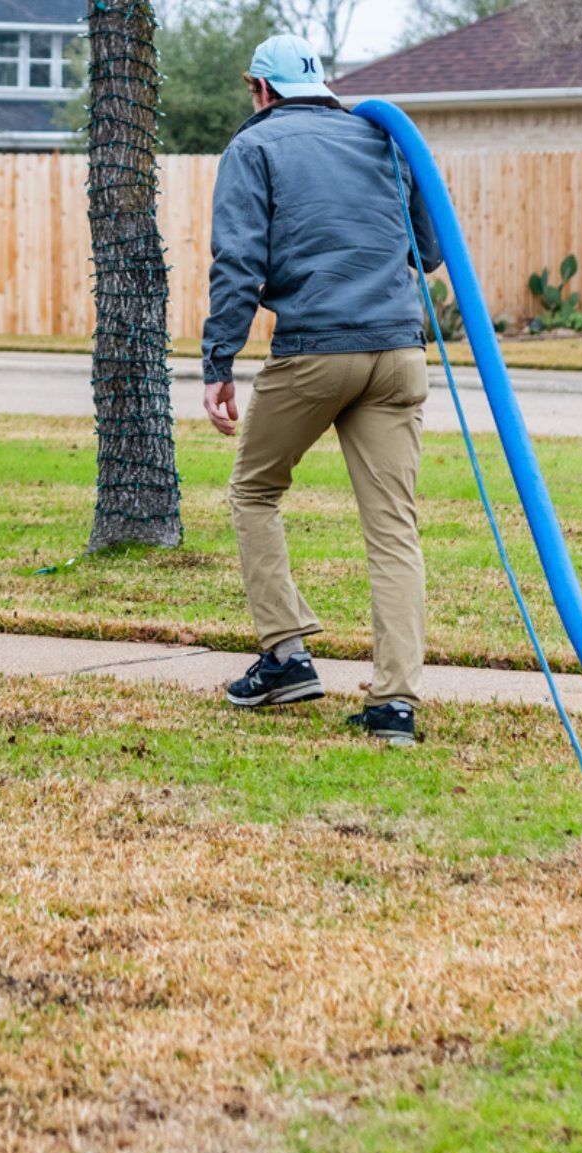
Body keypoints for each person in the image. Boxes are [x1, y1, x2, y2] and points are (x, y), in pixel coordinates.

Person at [201, 32, 442, 748]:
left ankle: (285, 656)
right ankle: (394, 705)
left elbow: (238, 261)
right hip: (399, 354)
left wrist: (218, 364)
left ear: (262, 91)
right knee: (393, 527)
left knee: (254, 490)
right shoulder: (383, 137)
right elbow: (426, 252)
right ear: (322, 85)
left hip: (313, 352)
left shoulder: (254, 148)